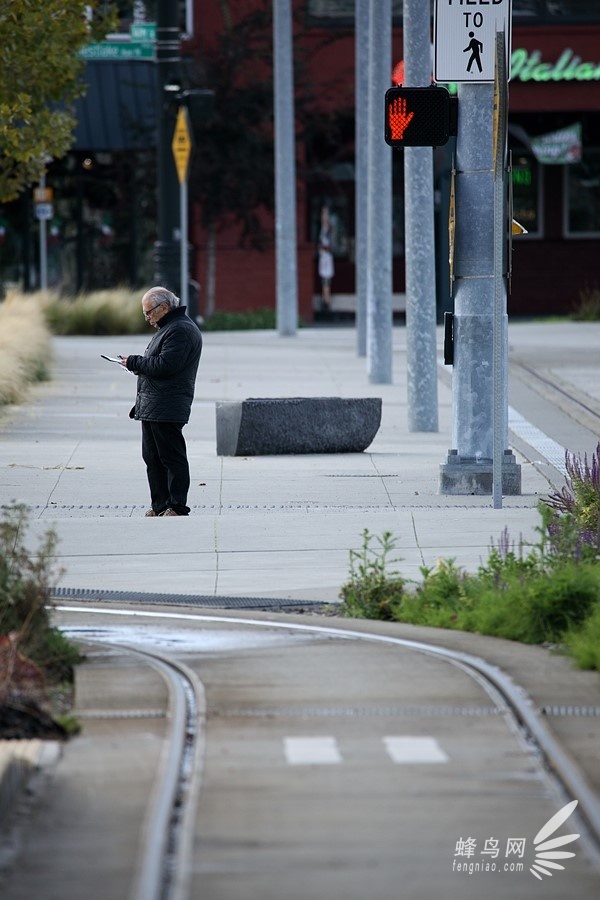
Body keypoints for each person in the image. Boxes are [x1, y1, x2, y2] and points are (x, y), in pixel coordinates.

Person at [119, 286, 202, 517]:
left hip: (168, 405)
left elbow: (166, 365)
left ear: (164, 307)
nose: (147, 318)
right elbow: (158, 364)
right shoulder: (169, 328)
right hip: (153, 404)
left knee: (171, 457)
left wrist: (135, 362)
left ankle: (177, 505)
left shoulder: (181, 330)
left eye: (149, 313)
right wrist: (137, 366)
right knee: (153, 458)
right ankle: (160, 505)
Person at [317, 205, 335, 312]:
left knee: (326, 280)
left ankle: (326, 300)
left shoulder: (328, 232)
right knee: (325, 280)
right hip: (324, 256)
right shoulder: (323, 231)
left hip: (326, 257)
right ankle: (326, 299)